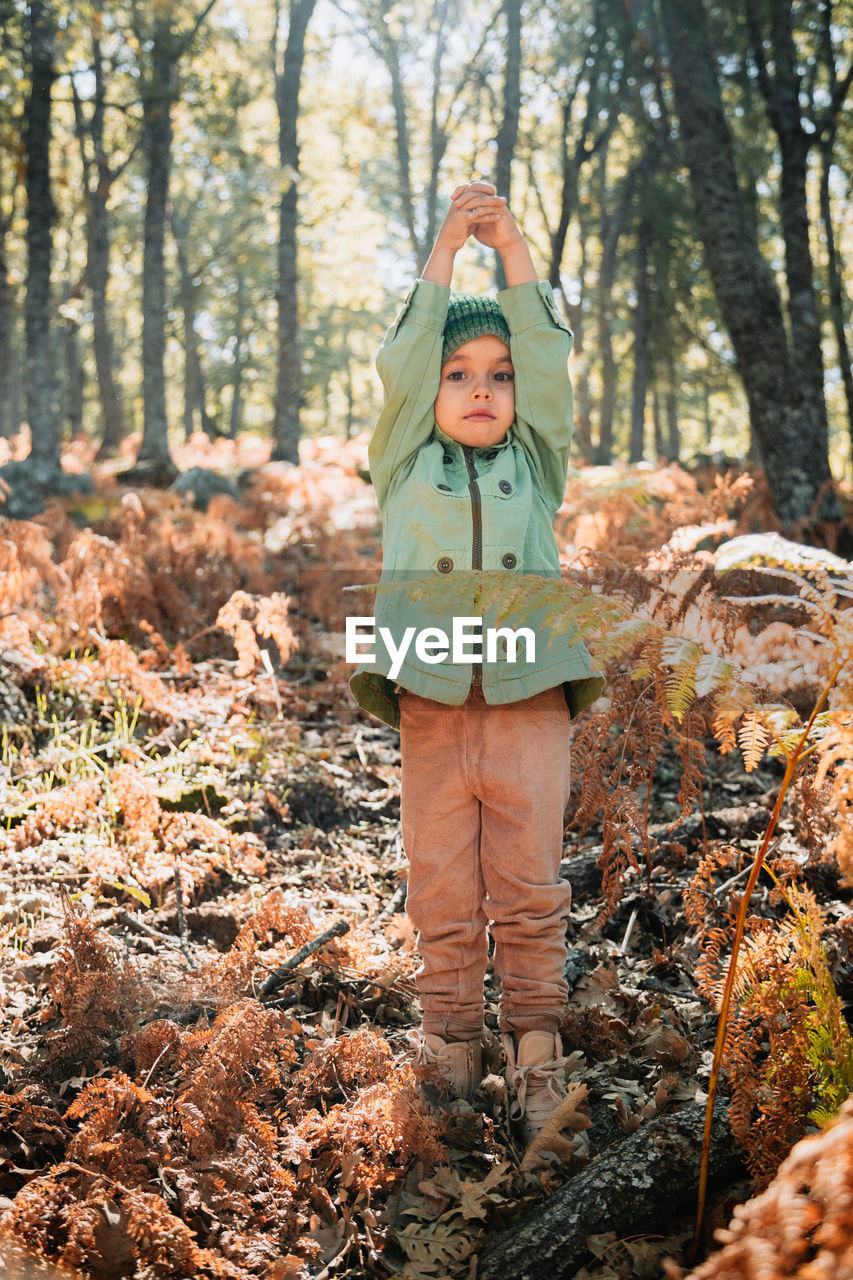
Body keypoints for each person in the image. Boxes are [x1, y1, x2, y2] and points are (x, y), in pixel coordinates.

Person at [350, 180, 603, 1141]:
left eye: (495, 374)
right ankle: (449, 1044)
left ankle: (534, 1045)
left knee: (528, 878)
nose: (483, 387)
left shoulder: (535, 461)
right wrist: (448, 250)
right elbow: (404, 363)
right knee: (442, 875)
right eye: (461, 373)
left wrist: (517, 250)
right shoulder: (402, 458)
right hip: (431, 695)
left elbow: (548, 361)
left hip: (530, 693)